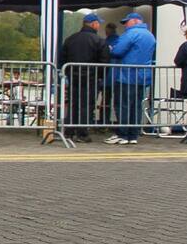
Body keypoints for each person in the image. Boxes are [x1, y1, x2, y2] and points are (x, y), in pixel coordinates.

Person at [105, 12, 156, 145]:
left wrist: (111, 48)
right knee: (136, 106)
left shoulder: (130, 34)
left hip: (126, 76)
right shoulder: (150, 35)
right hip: (143, 76)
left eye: (126, 22)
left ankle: (122, 134)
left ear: (134, 21)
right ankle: (133, 135)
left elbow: (117, 51)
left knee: (123, 105)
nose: (125, 25)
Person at [59, 13, 109, 142]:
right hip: (90, 78)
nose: (99, 25)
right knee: (87, 105)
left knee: (73, 104)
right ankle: (82, 133)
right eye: (98, 23)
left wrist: (68, 72)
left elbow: (62, 59)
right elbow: (104, 62)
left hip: (73, 77)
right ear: (93, 24)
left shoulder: (70, 39)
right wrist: (100, 77)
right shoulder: (99, 41)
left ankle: (69, 131)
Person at [99, 23, 119, 127]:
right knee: (117, 102)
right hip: (118, 76)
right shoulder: (120, 41)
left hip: (107, 76)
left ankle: (104, 122)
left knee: (105, 101)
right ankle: (119, 124)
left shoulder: (105, 42)